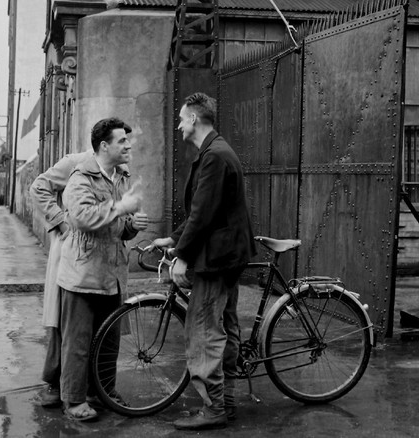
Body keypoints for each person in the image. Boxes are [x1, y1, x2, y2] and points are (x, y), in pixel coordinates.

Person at [151, 92, 256, 430]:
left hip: (218, 258)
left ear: (194, 119)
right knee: (223, 327)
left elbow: (203, 216)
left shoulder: (214, 156)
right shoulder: (216, 151)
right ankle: (225, 403)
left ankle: (214, 409)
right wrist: (174, 238)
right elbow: (204, 210)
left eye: (182, 118)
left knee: (204, 331)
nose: (180, 124)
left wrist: (181, 255)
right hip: (226, 255)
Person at [57, 117, 148, 421]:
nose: (128, 146)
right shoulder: (80, 177)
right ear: (104, 145)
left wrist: (132, 226)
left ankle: (104, 391)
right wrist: (122, 208)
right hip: (83, 275)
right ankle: (73, 399)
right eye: (122, 141)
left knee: (109, 341)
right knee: (79, 343)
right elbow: (83, 217)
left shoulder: (120, 177)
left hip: (112, 274)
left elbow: (117, 228)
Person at [30, 149, 93, 408]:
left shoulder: (117, 170)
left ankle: (91, 386)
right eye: (120, 139)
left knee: (90, 324)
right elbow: (39, 187)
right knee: (62, 320)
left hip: (96, 259)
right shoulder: (75, 162)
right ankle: (54, 382)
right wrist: (61, 222)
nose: (126, 146)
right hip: (69, 251)